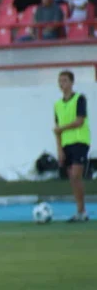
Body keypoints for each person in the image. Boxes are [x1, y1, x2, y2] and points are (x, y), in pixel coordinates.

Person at [54, 70, 90, 222]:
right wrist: (59, 150)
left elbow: (79, 121)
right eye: (60, 81)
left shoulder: (79, 99)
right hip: (66, 144)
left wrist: (62, 128)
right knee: (72, 179)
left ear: (71, 82)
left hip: (80, 141)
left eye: (65, 80)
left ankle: (82, 211)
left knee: (76, 175)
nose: (62, 84)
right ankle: (80, 211)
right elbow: (57, 130)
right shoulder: (57, 105)